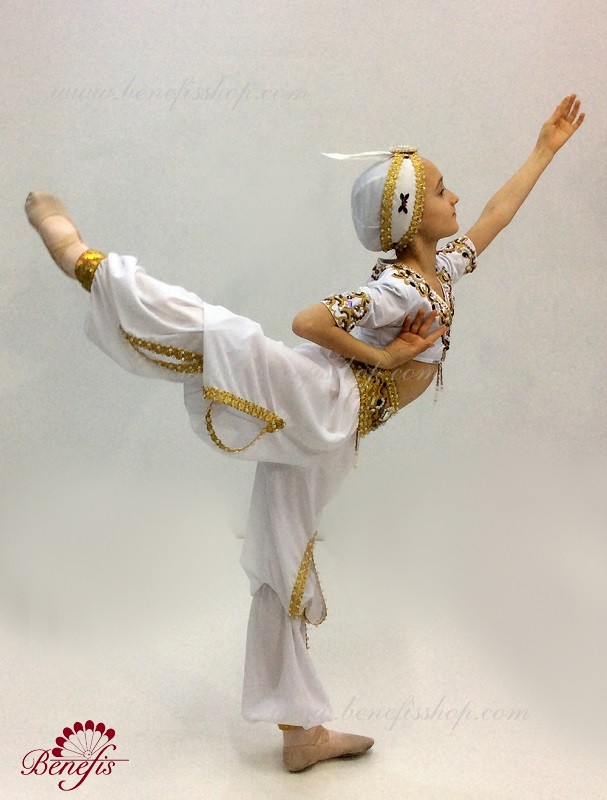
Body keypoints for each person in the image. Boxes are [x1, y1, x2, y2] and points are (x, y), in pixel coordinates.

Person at [24, 93, 584, 772]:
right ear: (411, 218)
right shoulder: (397, 290)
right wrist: (386, 358)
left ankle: (299, 732)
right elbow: (307, 322)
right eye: (442, 190)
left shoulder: (438, 273)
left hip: (333, 429)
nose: (455, 196)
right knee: (220, 337)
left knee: (281, 563)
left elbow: (496, 214)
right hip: (320, 399)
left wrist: (544, 149)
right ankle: (82, 258)